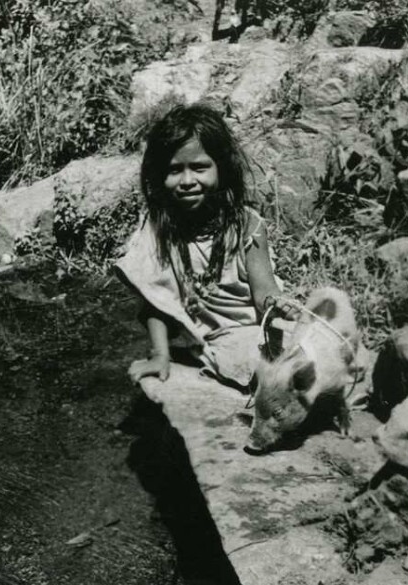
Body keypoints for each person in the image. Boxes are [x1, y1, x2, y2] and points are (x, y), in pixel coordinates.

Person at [115, 104, 288, 389]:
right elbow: (156, 298)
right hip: (202, 336)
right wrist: (160, 355)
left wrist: (279, 306)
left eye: (199, 167)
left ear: (221, 167)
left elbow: (264, 293)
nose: (187, 181)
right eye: (174, 170)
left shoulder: (247, 225)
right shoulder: (160, 228)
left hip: (247, 328)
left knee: (295, 358)